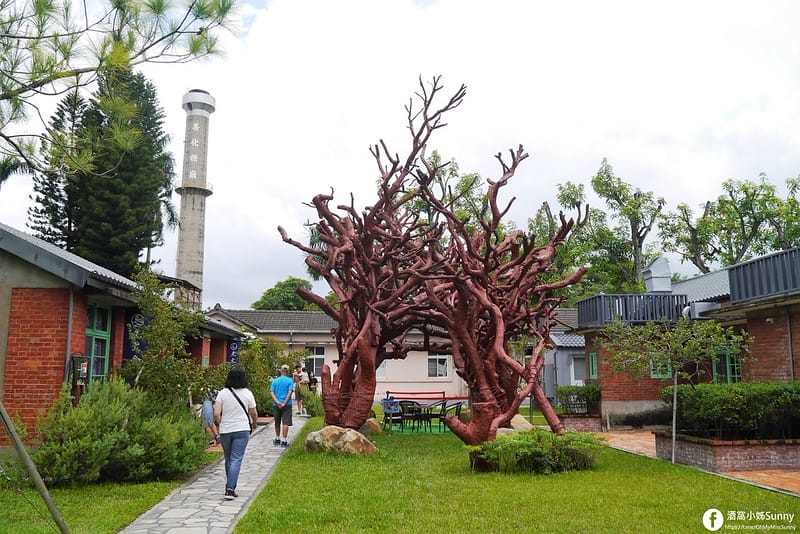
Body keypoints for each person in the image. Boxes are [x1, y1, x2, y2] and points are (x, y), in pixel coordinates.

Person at [213, 367, 258, 500]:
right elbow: (253, 412)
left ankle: (229, 485)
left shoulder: (222, 393)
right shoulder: (248, 393)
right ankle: (230, 489)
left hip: (226, 430)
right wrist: (254, 423)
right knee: (236, 458)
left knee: (228, 458)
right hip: (242, 429)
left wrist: (220, 422)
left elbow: (216, 413)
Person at [270, 364, 294, 447]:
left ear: (281, 371)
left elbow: (272, 392)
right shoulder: (290, 381)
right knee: (285, 422)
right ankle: (284, 441)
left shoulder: (275, 381)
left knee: (277, 422)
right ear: (287, 371)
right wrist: (284, 403)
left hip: (276, 405)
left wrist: (277, 402)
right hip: (287, 405)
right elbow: (290, 392)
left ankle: (277, 438)